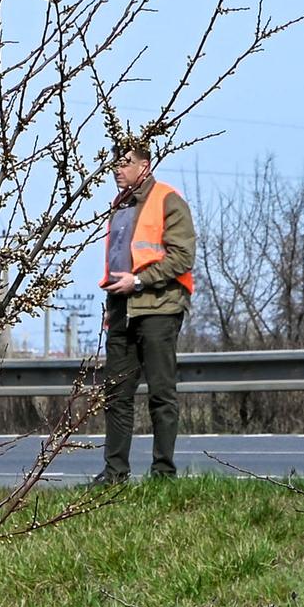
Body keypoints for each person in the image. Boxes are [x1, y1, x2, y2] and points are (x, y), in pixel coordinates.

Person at [96, 139, 194, 483]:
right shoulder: (119, 204)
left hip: (159, 308)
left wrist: (138, 281)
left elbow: (182, 257)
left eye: (124, 163)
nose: (117, 170)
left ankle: (163, 474)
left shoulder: (168, 200)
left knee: (161, 394)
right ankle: (114, 473)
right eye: (115, 164)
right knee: (116, 395)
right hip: (122, 310)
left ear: (145, 165)